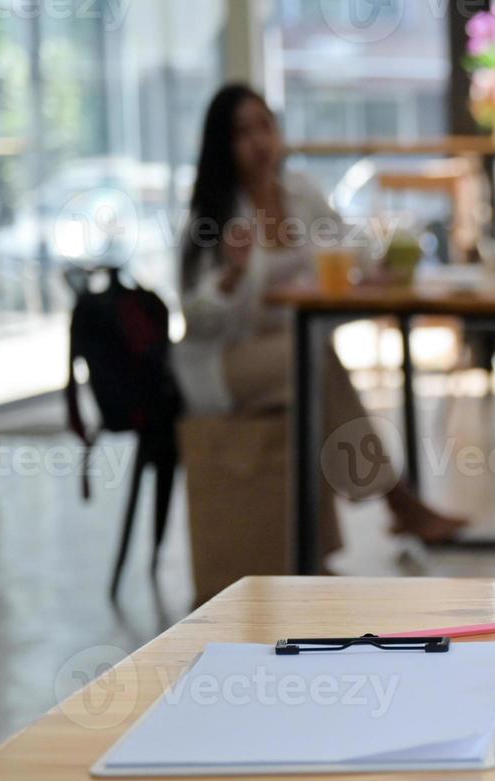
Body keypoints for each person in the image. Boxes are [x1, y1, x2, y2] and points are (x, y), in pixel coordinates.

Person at [173, 84, 466, 548]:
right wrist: (229, 277)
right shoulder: (213, 216)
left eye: (265, 125)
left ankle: (327, 543)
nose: (258, 141)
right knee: (314, 358)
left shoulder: (299, 193)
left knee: (312, 362)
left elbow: (346, 243)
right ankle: (397, 501)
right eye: (242, 132)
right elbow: (196, 315)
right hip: (222, 365)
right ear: (222, 145)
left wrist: (380, 263)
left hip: (288, 354)